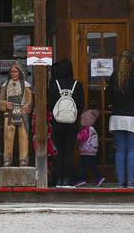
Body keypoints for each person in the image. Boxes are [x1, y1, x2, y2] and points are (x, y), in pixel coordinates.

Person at [108, 50, 134, 188]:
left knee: (120, 150)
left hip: (117, 117)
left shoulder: (114, 77)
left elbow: (109, 97)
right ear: (133, 62)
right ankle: (131, 182)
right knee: (132, 150)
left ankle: (121, 182)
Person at [49, 59, 85, 187]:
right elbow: (81, 105)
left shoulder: (54, 85)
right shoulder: (77, 85)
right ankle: (67, 179)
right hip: (72, 123)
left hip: (57, 123)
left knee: (59, 150)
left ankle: (58, 179)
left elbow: (49, 104)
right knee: (69, 150)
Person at [0, 61, 33, 167]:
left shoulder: (26, 86)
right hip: (9, 113)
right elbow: (1, 100)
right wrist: (5, 104)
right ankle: (7, 159)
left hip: (21, 113)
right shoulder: (5, 85)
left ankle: (23, 159)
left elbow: (29, 100)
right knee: (8, 136)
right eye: (12, 72)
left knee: (23, 136)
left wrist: (26, 107)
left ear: (20, 73)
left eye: (15, 71)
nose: (13, 74)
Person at [76, 109, 104, 186]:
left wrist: (76, 134)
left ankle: (80, 179)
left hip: (86, 151)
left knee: (82, 167)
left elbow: (82, 138)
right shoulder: (91, 129)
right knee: (92, 165)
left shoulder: (87, 129)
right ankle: (99, 177)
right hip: (92, 152)